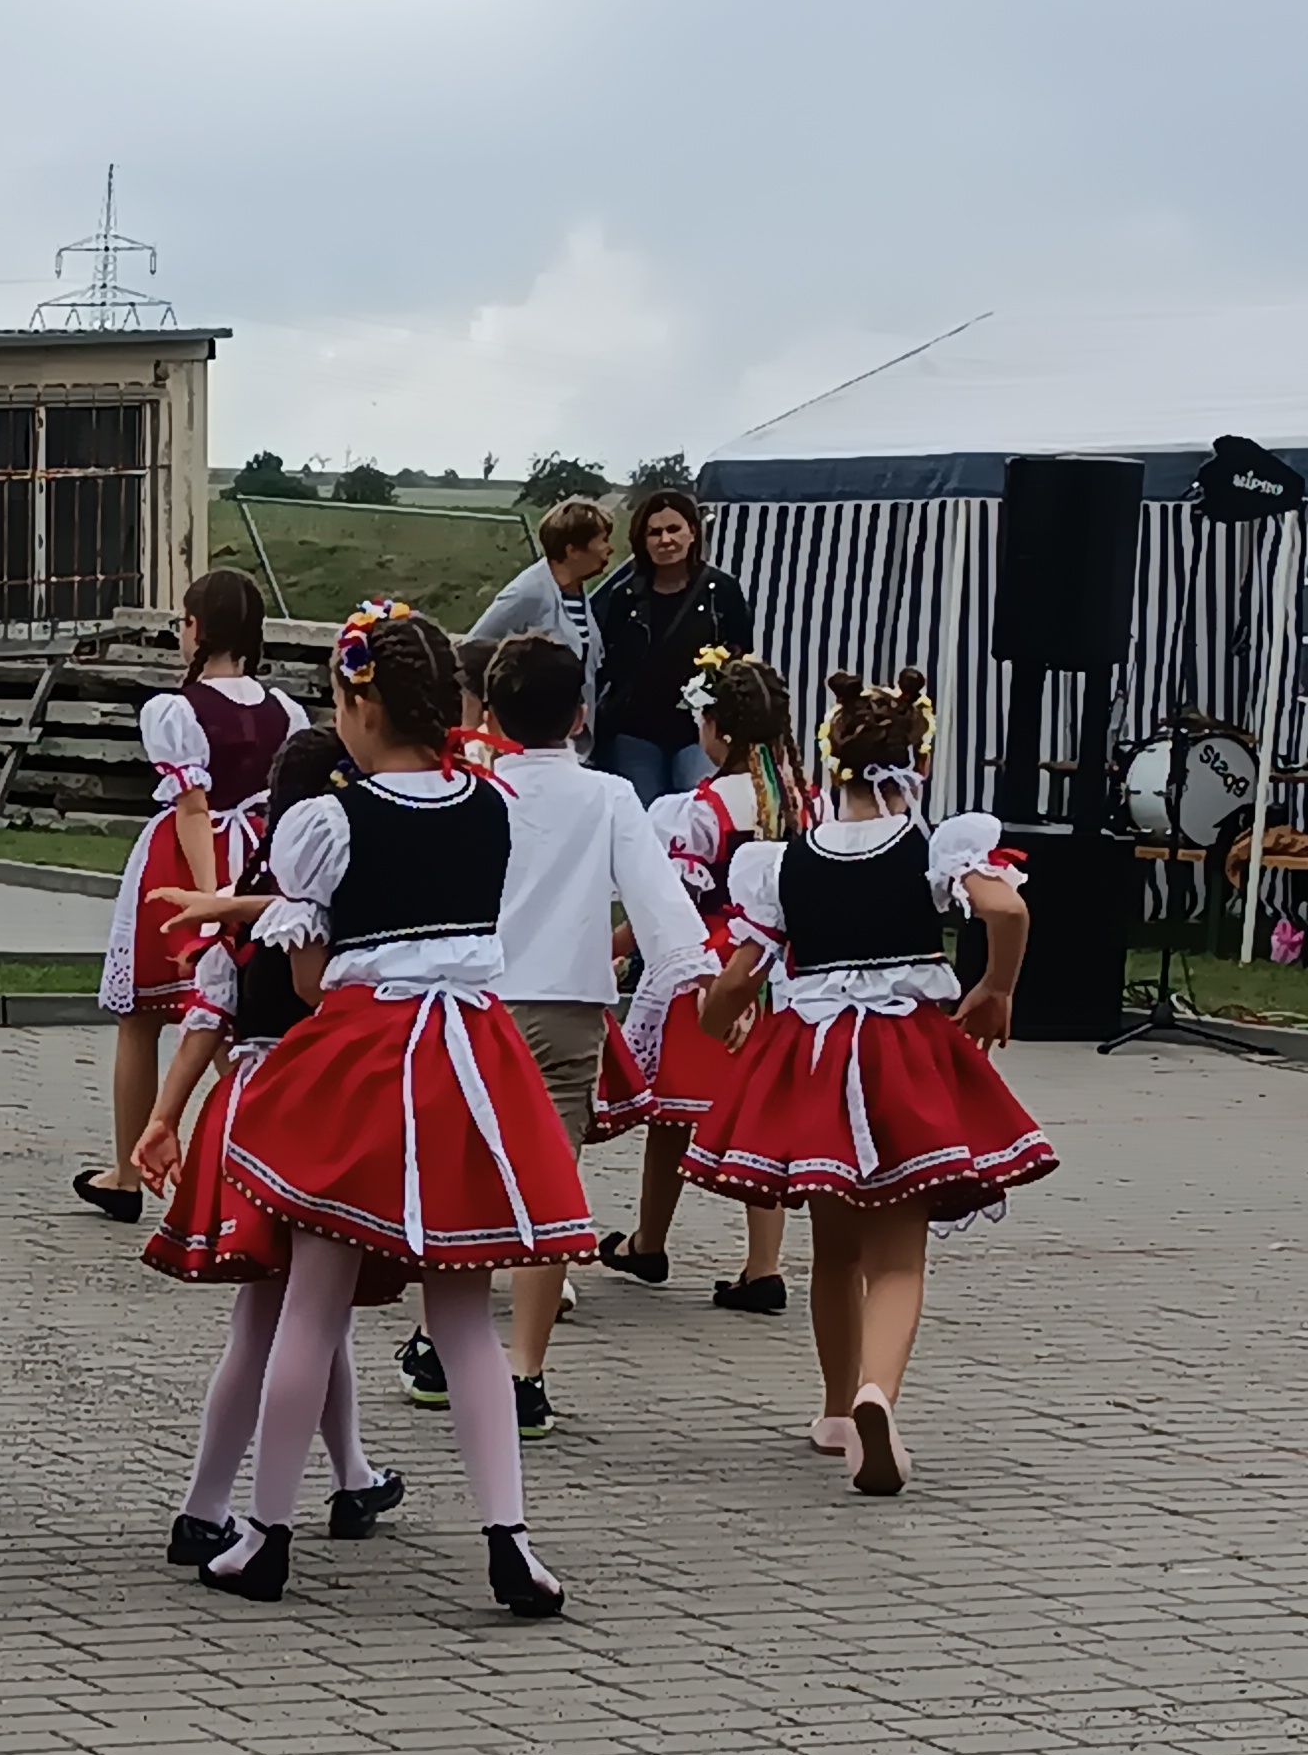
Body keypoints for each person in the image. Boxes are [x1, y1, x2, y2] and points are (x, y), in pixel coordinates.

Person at [204, 602, 598, 1618]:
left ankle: (266, 1534)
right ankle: (509, 1539)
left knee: (313, 1302)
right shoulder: (491, 805)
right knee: (463, 1315)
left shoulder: (327, 823)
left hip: (366, 1060)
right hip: (471, 1059)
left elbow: (308, 984)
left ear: (362, 706)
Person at [682, 668, 1051, 1495]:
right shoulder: (933, 848)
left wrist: (718, 1021)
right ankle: (879, 1393)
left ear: (832, 761)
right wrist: (996, 987)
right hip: (903, 1059)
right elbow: (1008, 910)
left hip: (816, 1061)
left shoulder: (784, 864)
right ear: (915, 760)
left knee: (834, 1251)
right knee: (897, 1260)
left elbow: (738, 978)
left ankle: (836, 1410)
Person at [422, 633, 707, 1440]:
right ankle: (525, 1373)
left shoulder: (468, 788)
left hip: (475, 1001)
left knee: (464, 1170)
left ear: (490, 714)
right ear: (581, 716)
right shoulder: (608, 796)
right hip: (567, 1009)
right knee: (548, 1181)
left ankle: (442, 1343)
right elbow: (658, 901)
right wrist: (697, 974)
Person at [135, 725, 401, 1564]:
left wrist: (164, 1116)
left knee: (302, 1316)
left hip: (245, 1100)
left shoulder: (252, 894)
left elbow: (207, 1020)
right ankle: (210, 1504)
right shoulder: (336, 908)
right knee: (285, 1318)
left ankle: (348, 1476)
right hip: (312, 1107)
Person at [84, 570, 302, 1217]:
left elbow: (193, 805)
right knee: (236, 1018)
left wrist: (211, 903)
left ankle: (128, 1174)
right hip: (261, 854)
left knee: (142, 1018)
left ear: (197, 629)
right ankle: (268, 1163)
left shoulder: (177, 710)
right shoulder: (284, 711)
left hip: (186, 865)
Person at [605, 648, 805, 1310]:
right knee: (762, 1113)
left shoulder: (701, 807)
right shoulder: (805, 803)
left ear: (716, 727)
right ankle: (764, 1265)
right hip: (781, 969)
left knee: (671, 1116)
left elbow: (674, 900)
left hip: (714, 964)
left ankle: (650, 1240)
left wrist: (617, 945)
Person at [587, 487, 753, 802]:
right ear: (642, 541)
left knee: (703, 812)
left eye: (674, 529)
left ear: (693, 532)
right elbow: (604, 662)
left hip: (701, 732)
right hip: (635, 733)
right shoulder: (623, 597)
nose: (666, 540)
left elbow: (742, 655)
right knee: (645, 816)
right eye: (655, 532)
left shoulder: (723, 591)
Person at [464, 496, 616, 707]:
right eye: (603, 540)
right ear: (573, 551)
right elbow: (472, 651)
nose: (610, 548)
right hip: (531, 722)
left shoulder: (576, 591)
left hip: (572, 723)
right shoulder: (529, 592)